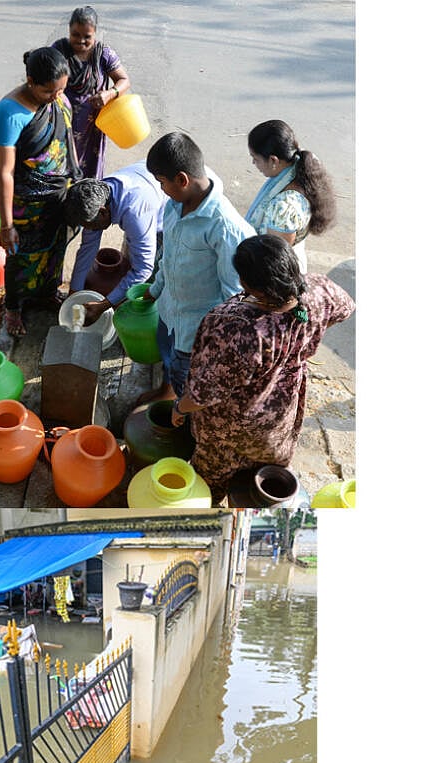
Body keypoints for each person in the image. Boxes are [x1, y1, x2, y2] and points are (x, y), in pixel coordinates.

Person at [171, 235, 354, 503]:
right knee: (264, 474)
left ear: (250, 285)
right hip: (279, 417)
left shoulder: (236, 329)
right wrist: (304, 343)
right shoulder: (317, 294)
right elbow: (346, 307)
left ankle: (212, 504)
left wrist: (179, 408)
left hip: (229, 429)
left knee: (209, 481)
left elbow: (203, 395)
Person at [141, 132, 255, 402]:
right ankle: (166, 392)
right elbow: (166, 256)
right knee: (168, 362)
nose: (161, 190)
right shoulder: (173, 205)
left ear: (182, 179)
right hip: (168, 313)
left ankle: (183, 415)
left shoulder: (225, 227)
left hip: (196, 334)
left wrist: (214, 344)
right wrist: (155, 290)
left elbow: (233, 296)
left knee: (189, 383)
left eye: (162, 183)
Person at [0, 46, 78, 337]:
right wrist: (7, 225)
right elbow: (5, 172)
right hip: (25, 205)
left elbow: (67, 140)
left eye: (61, 90)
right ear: (30, 81)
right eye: (48, 92)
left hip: (57, 196)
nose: (56, 97)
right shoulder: (8, 114)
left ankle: (47, 291)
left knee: (55, 249)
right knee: (22, 256)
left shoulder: (57, 98)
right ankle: (14, 306)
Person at [62, 161, 164, 323]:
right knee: (131, 258)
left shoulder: (135, 214)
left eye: (89, 226)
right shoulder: (98, 194)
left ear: (102, 211)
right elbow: (88, 247)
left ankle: (148, 320)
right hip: (149, 190)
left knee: (154, 279)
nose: (90, 230)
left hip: (175, 215)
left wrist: (104, 305)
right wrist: (74, 293)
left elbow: (143, 268)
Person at [245, 120, 336, 275]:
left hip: (279, 278)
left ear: (273, 160)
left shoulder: (284, 207)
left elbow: (275, 260)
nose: (253, 163)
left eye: (255, 158)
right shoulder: (300, 166)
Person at [51, 6, 130, 180]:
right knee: (59, 170)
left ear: (95, 34)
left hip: (92, 129)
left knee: (89, 174)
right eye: (75, 35)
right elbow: (44, 76)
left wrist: (110, 93)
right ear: (69, 31)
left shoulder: (103, 54)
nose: (81, 41)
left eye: (87, 37)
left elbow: (124, 80)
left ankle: (86, 203)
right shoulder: (59, 50)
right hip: (62, 124)